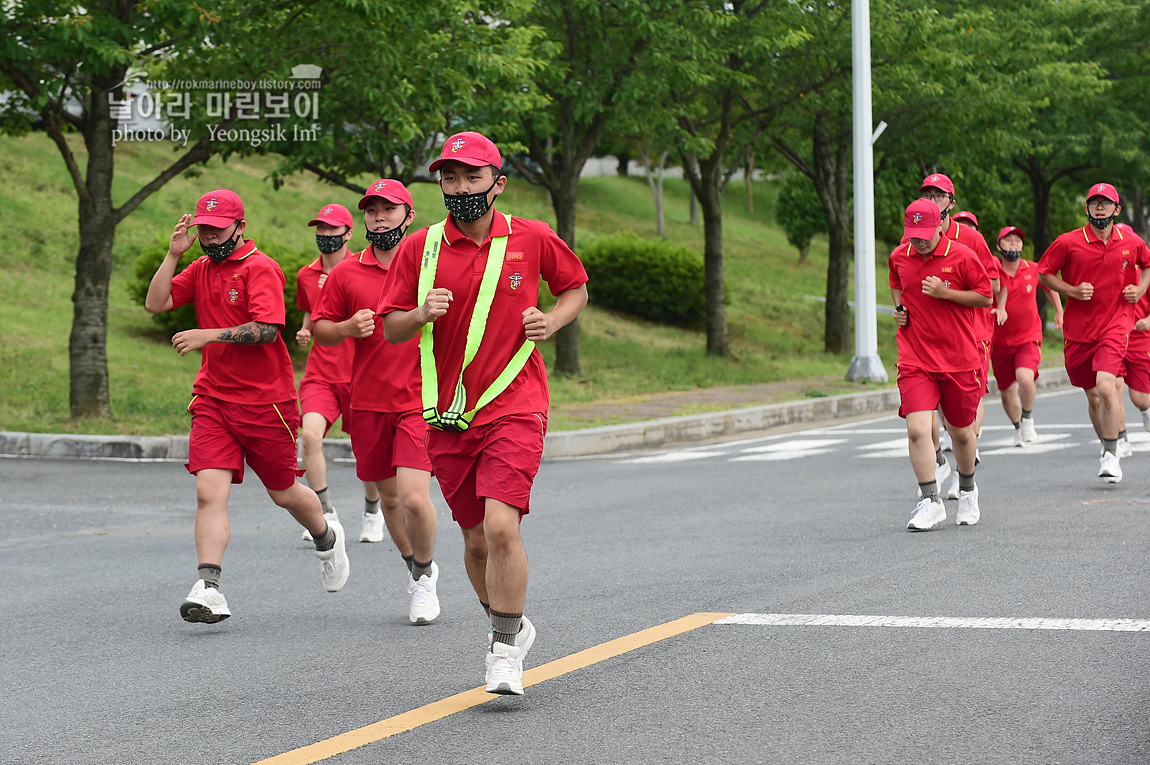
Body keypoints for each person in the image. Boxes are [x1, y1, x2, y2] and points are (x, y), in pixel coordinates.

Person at [379, 131, 589, 694]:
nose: (460, 187)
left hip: (515, 403)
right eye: (450, 177)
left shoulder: (532, 237)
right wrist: (421, 312)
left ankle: (502, 650)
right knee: (474, 541)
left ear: (498, 183)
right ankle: (510, 622)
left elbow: (575, 288)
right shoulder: (420, 247)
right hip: (448, 413)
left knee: (501, 526)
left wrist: (554, 320)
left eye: (472, 176)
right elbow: (392, 327)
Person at [144, 189, 349, 624]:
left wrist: (206, 335)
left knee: (283, 493)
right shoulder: (198, 267)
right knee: (207, 492)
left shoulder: (261, 268)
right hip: (214, 399)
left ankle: (327, 537)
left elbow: (269, 329)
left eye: (217, 230)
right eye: (203, 229)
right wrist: (173, 255)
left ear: (240, 227)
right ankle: (209, 587)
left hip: (266, 404)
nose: (209, 237)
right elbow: (156, 303)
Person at [310, 180, 442, 624]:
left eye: (388, 209)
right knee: (389, 502)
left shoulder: (432, 265)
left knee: (414, 498)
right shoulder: (347, 273)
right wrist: (347, 327)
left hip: (420, 399)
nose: (379, 217)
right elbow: (322, 330)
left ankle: (423, 580)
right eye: (371, 211)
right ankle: (416, 566)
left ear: (409, 214)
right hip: (368, 401)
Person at [890, 199, 992, 531]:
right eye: (912, 235)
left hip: (958, 357)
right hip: (915, 356)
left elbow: (985, 296)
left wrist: (946, 293)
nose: (918, 241)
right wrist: (901, 308)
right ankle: (929, 500)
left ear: (939, 225)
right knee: (917, 428)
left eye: (924, 235)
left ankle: (967, 489)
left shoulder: (962, 255)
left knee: (961, 433)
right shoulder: (899, 257)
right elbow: (896, 284)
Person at [1038, 182, 1150, 483]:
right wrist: (1071, 290)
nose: (1099, 207)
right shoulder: (1068, 242)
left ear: (1116, 209)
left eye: (1105, 202)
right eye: (1094, 202)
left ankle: (1112, 454)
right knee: (1093, 396)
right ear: (1087, 208)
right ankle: (1107, 446)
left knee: (1105, 386)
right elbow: (1044, 273)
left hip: (1116, 324)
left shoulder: (1129, 240)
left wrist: (1138, 290)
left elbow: (1147, 264)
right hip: (1079, 331)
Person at [295, 203, 383, 543]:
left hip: (360, 374)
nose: (325, 236)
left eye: (332, 230)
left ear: (348, 233)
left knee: (367, 452)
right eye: (320, 230)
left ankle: (373, 511)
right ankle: (324, 512)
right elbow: (312, 314)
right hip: (321, 372)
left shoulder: (363, 268)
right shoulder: (306, 274)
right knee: (311, 436)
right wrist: (306, 331)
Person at [918, 174, 1001, 499]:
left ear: (951, 203)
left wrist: (948, 291)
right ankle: (942, 458)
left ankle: (966, 457)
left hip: (972, 332)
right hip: (931, 337)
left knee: (966, 408)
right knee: (935, 404)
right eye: (927, 194)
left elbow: (991, 287)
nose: (932, 199)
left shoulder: (970, 239)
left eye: (939, 195)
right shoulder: (913, 237)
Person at [990, 226, 1063, 447]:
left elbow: (1050, 286)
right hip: (999, 342)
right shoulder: (992, 272)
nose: (1013, 245)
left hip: (1028, 337)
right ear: (998, 246)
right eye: (1008, 241)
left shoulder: (1033, 269)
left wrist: (1059, 312)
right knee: (1006, 393)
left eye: (1017, 241)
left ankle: (1028, 418)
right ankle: (1018, 426)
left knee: (1025, 377)